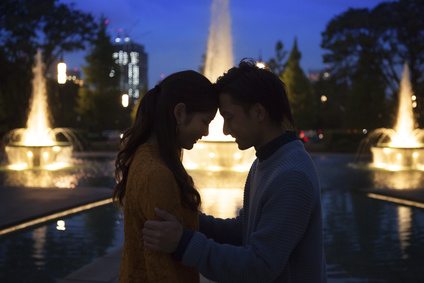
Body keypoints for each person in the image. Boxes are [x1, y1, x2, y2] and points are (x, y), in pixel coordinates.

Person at [142, 59, 327, 282]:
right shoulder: (266, 161)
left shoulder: (291, 176)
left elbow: (260, 266)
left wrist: (183, 243)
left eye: (229, 118)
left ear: (259, 112)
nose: (225, 129)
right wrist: (188, 219)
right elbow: (244, 230)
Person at [112, 70, 219, 283]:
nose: (206, 132)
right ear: (180, 113)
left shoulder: (142, 157)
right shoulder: (158, 175)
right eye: (205, 121)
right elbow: (162, 269)